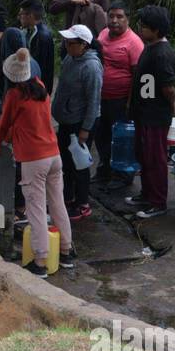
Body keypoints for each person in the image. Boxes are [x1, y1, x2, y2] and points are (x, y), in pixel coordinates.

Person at [0, 50, 77, 276]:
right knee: (57, 202)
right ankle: (67, 251)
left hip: (34, 159)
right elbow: (26, 123)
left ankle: (40, 261)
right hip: (54, 155)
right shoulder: (41, 87)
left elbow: (4, 123)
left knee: (35, 208)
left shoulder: (15, 96)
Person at [127, 5, 175, 219]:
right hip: (143, 111)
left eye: (144, 27)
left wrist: (173, 103)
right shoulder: (150, 46)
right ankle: (146, 194)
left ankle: (158, 202)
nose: (140, 29)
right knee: (143, 155)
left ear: (156, 30)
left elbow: (168, 86)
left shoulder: (163, 54)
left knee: (156, 159)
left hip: (155, 115)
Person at [51, 24, 102, 220]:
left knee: (79, 165)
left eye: (70, 43)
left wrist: (85, 130)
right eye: (66, 42)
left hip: (80, 123)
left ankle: (82, 203)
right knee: (65, 162)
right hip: (66, 120)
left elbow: (94, 101)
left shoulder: (91, 67)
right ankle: (68, 197)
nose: (66, 46)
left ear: (84, 45)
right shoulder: (70, 59)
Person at [95, 1, 146, 189]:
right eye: (111, 16)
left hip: (121, 100)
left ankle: (123, 176)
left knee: (121, 139)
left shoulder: (134, 43)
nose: (114, 20)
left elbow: (137, 76)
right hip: (101, 98)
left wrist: (130, 103)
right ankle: (104, 170)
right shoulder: (102, 34)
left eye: (119, 16)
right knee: (102, 135)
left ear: (127, 19)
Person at [18, 0, 56, 96]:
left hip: (37, 91)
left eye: (21, 14)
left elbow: (39, 67)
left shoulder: (41, 36)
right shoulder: (32, 31)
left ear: (30, 15)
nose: (19, 18)